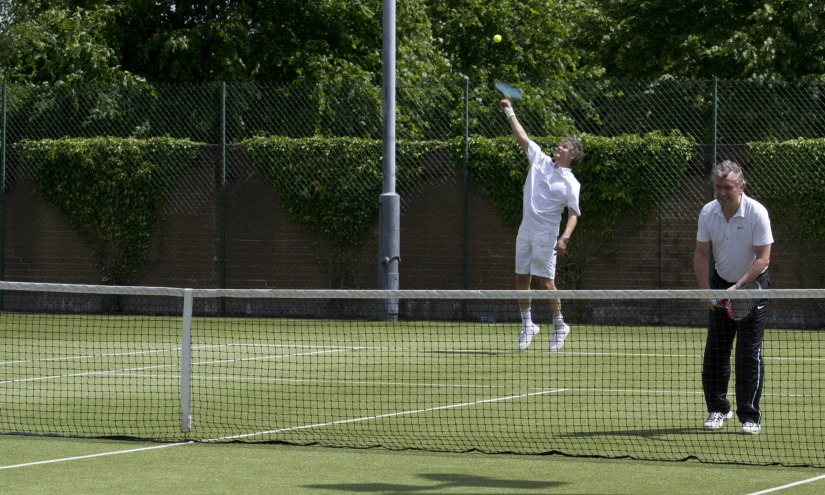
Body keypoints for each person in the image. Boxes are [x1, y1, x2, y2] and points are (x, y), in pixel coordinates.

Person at [693, 160, 773, 435]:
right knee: (715, 351)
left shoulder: (757, 213)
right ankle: (717, 409)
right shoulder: (708, 212)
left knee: (748, 353)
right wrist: (706, 289)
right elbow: (702, 254)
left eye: (727, 187)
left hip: (751, 285)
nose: (722, 192)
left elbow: (763, 258)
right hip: (720, 283)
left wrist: (737, 288)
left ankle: (750, 416)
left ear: (741, 187)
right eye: (718, 187)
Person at [500, 98, 582, 352]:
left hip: (547, 234)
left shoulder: (571, 184)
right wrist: (510, 112)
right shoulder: (539, 159)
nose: (559, 148)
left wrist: (565, 237)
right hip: (526, 229)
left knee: (546, 282)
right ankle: (528, 325)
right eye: (560, 145)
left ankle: (559, 325)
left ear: (573, 155)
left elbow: (573, 214)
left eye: (564, 147)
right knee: (520, 279)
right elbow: (522, 136)